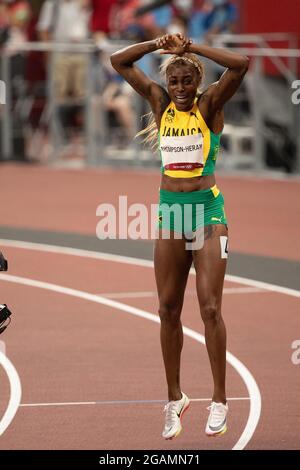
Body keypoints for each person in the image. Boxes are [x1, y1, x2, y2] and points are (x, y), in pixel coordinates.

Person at [110, 33, 249, 439]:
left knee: (209, 309)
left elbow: (239, 64)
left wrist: (190, 47)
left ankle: (220, 400)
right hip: (171, 215)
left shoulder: (209, 106)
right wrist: (157, 44)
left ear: (197, 81)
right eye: (175, 82)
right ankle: (175, 398)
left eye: (188, 81)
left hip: (208, 214)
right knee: (167, 309)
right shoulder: (160, 103)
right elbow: (119, 61)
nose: (182, 89)